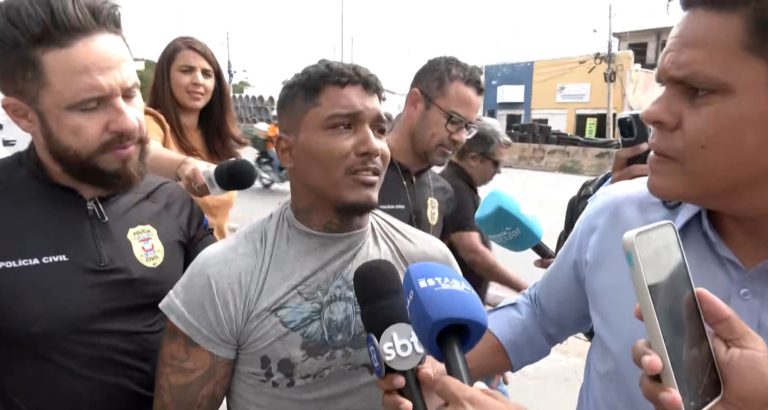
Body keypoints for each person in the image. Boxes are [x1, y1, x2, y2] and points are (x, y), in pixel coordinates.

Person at [379, 1, 768, 409]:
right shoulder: (617, 213)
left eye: (698, 91)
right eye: (665, 86)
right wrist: (436, 375)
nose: (654, 112)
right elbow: (538, 316)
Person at [151, 60, 460, 410]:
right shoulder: (222, 275)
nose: (373, 146)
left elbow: (464, 388)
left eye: (379, 129)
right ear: (286, 151)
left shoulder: (431, 264)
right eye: (344, 126)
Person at [0, 1, 215, 409]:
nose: (129, 122)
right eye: (90, 105)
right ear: (23, 115)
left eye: (130, 93)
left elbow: (239, 308)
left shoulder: (171, 201)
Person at [145, 36, 249, 239]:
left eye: (207, 74)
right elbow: (146, 152)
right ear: (166, 77)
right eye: (186, 71)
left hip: (217, 253)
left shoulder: (216, 138)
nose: (198, 81)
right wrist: (184, 166)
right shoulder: (152, 121)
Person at [378, 56, 484, 237]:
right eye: (454, 121)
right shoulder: (360, 176)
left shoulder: (443, 192)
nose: (460, 138)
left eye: (468, 127)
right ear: (415, 103)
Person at [440, 117, 528, 302]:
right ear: (474, 159)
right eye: (496, 163)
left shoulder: (457, 184)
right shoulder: (458, 191)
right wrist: (525, 289)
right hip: (457, 303)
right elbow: (474, 254)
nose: (499, 171)